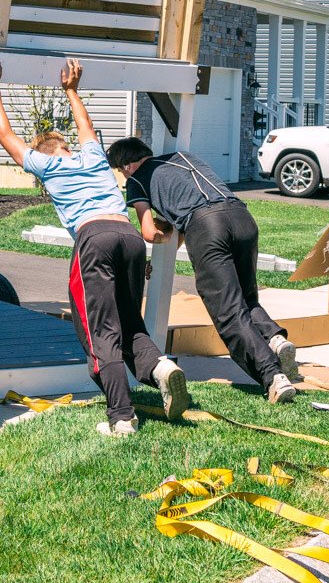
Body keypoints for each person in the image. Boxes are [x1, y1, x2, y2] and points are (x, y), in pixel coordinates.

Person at [0, 52, 187, 436]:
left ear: (43, 154)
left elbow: (5, 136)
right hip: (129, 236)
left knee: (103, 330)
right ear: (68, 145)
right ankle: (161, 367)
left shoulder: (46, 165)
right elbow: (85, 124)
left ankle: (121, 417)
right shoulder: (94, 157)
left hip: (95, 238)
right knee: (130, 321)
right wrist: (72, 90)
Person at [107, 137, 300, 403]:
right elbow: (184, 211)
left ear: (127, 166)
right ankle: (275, 339)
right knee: (246, 297)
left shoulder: (137, 179)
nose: (122, 175)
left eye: (120, 170)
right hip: (241, 217)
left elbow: (150, 232)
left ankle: (272, 376)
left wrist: (162, 238)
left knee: (228, 311)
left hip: (207, 227)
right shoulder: (183, 158)